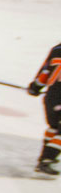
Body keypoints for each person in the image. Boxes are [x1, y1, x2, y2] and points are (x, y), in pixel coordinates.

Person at [27, 40, 61, 177]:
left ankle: (44, 157)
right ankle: (47, 159)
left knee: (53, 127)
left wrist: (35, 87)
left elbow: (45, 72)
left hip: (51, 97)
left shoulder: (57, 48)